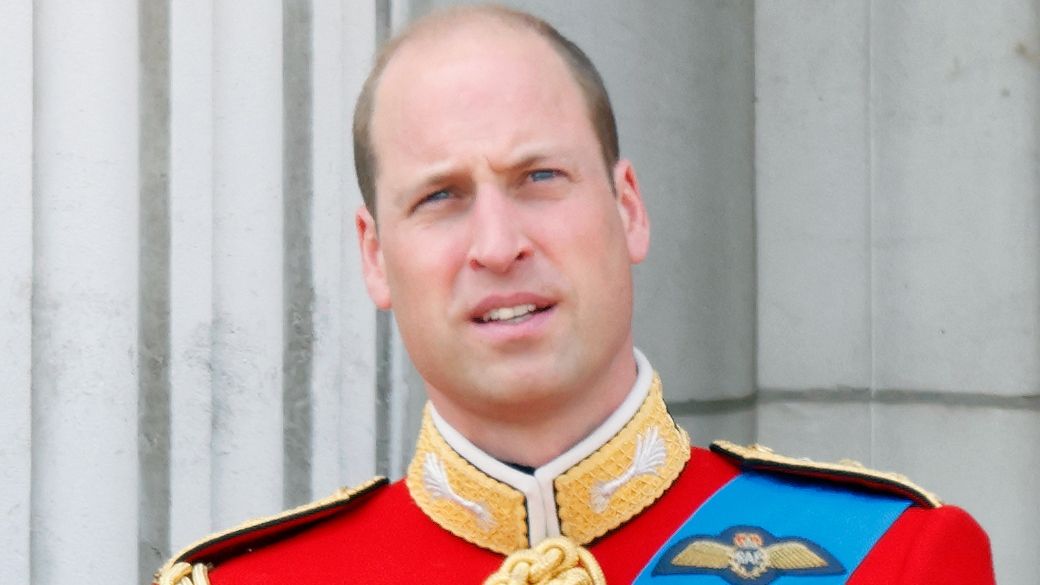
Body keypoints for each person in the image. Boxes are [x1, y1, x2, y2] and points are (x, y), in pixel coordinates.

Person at [155, 5, 995, 584]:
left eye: (540, 177)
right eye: (440, 197)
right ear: (376, 256)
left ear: (628, 208)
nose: (498, 243)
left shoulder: (887, 559)